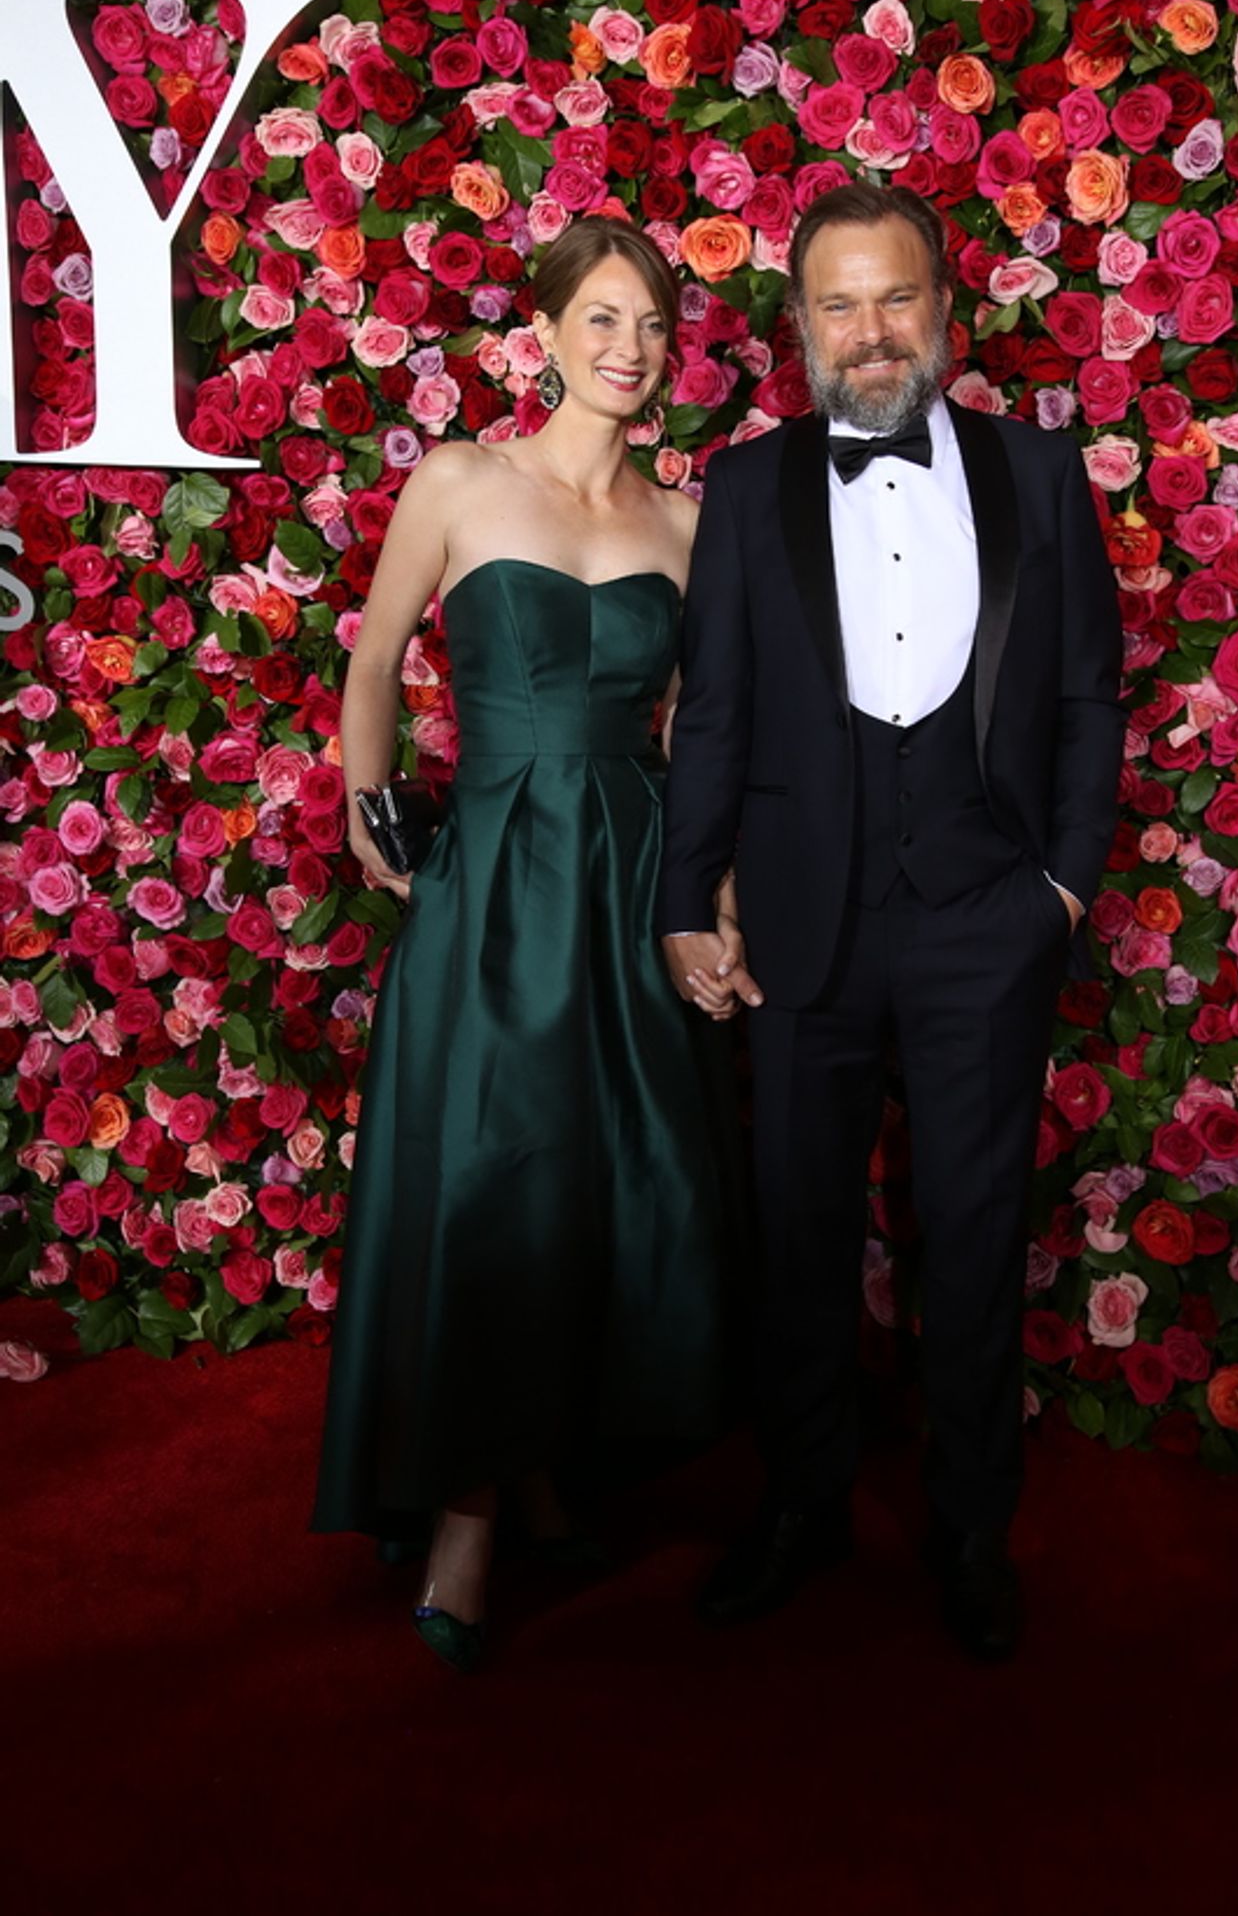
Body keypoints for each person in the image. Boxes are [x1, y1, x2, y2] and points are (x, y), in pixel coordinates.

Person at [658, 181, 1124, 1661]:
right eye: (840, 304)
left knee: (977, 1234)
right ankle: (801, 1506)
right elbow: (717, 711)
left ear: (947, 310)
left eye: (897, 297)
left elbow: (1088, 698)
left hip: (989, 917)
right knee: (799, 1233)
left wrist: (1058, 888)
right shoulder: (745, 488)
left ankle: (973, 1526)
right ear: (798, 326)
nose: (872, 332)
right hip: (804, 921)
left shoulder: (1040, 475)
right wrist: (687, 898)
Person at [313, 217, 741, 1673]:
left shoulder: (688, 525)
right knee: (496, 1177)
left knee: (609, 1183)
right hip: (489, 875)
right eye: (604, 321)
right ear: (545, 333)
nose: (631, 351)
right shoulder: (460, 480)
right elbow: (373, 661)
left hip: (626, 876)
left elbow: (693, 740)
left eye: (655, 328)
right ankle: (469, 1513)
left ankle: (548, 1462)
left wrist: (708, 893)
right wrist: (381, 821)